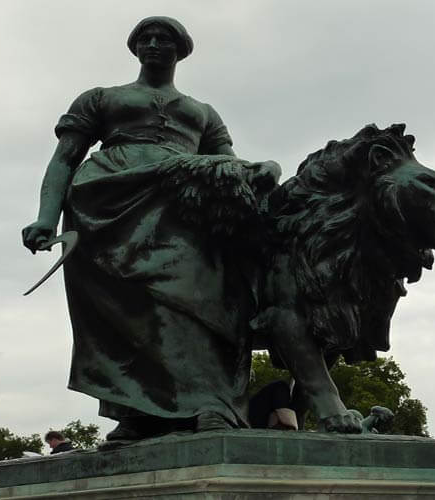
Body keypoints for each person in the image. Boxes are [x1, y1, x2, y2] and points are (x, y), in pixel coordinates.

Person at [22, 17, 280, 441]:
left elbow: (227, 166)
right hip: (109, 208)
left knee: (196, 298)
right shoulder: (102, 98)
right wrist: (46, 217)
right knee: (130, 312)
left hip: (182, 206)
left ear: (181, 50)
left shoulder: (203, 112)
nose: (154, 44)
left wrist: (262, 174)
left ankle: (209, 403)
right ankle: (137, 411)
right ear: (135, 48)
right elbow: (65, 158)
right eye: (146, 38)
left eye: (164, 38)